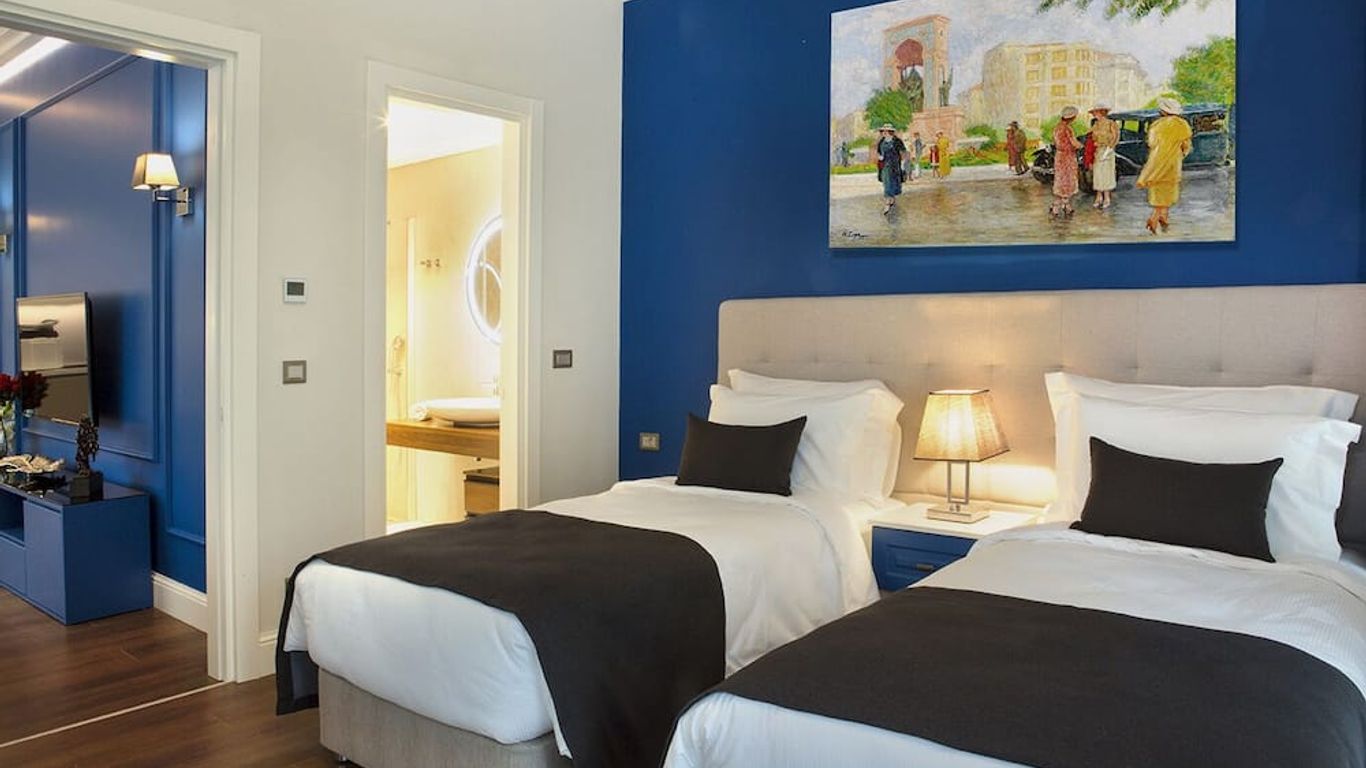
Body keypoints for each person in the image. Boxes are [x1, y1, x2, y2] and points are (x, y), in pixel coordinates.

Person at [1136, 97, 1193, 234]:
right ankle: (1155, 218)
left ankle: (1162, 218)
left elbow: (1151, 143)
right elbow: (1186, 146)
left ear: (1162, 111)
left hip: (1156, 161)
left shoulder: (1156, 125)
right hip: (1173, 162)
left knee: (1158, 191)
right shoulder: (1182, 124)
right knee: (1169, 190)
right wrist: (1180, 154)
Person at [1050, 106, 1081, 218]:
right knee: (1068, 180)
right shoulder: (1068, 129)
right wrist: (1081, 146)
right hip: (1068, 156)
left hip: (1059, 156)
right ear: (1071, 117)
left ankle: (1063, 206)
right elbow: (1074, 143)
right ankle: (1060, 206)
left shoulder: (1056, 128)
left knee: (1060, 180)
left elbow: (1055, 142)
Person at [1088, 103, 1118, 209]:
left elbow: (1115, 138)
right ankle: (1099, 196)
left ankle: (1107, 197)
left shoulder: (1111, 123)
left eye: (1096, 112)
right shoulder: (1095, 124)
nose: (1094, 114)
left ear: (1102, 112)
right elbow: (1091, 137)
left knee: (1106, 174)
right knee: (1098, 174)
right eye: (1094, 112)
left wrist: (1108, 150)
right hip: (1098, 151)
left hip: (1108, 151)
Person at [875, 123, 907, 215]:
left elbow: (903, 152)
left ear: (890, 132)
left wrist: (903, 163)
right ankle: (887, 202)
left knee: (894, 182)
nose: (883, 133)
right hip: (885, 165)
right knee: (887, 182)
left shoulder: (897, 141)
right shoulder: (881, 141)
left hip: (895, 165)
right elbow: (879, 152)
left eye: (885, 131)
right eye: (883, 131)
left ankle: (891, 198)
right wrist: (880, 157)